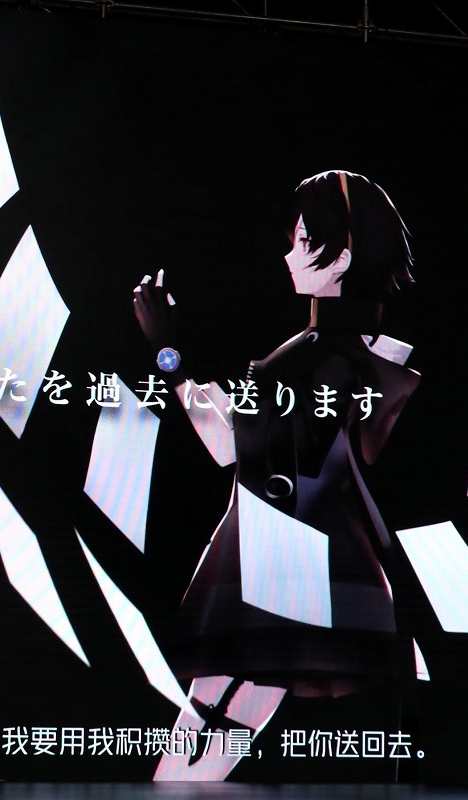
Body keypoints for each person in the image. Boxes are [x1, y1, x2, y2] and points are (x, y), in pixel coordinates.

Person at [134, 172, 420, 762]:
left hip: (280, 569)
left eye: (302, 241)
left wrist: (168, 354)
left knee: (206, 732)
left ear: (341, 259)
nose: (288, 255)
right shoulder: (362, 353)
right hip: (304, 569)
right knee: (215, 729)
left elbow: (229, 445)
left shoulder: (325, 358)